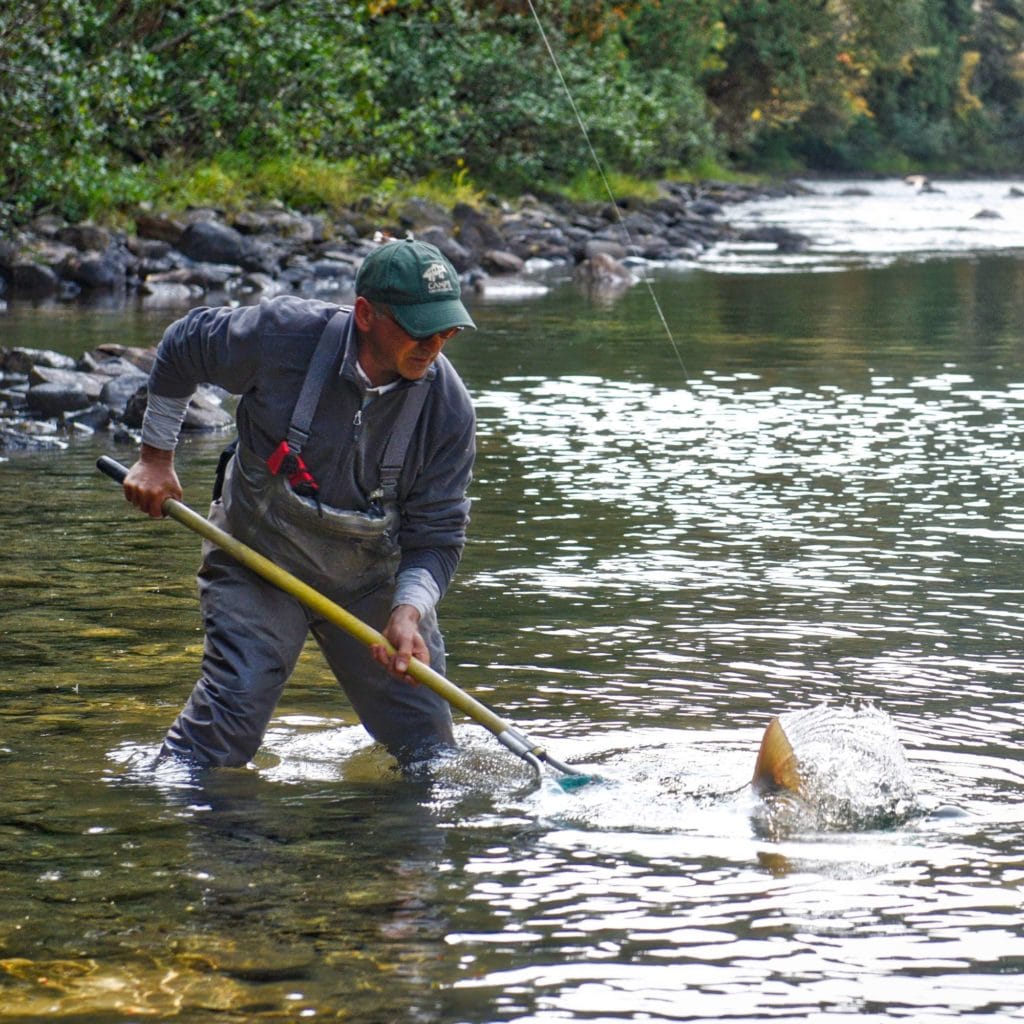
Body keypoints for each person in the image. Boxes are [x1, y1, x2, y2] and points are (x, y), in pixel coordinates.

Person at [122, 238, 477, 768]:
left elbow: (438, 536)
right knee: (227, 720)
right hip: (255, 558)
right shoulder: (281, 335)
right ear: (364, 314)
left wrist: (408, 611)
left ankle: (408, 845)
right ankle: (170, 816)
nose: (434, 345)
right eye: (419, 328)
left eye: (446, 330)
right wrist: (155, 458)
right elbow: (183, 345)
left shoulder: (449, 409)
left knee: (429, 749)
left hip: (371, 582)